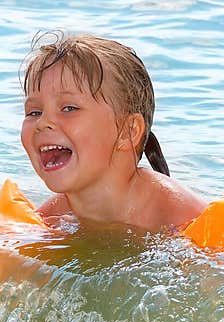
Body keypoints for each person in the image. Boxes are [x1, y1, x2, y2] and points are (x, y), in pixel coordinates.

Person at [20, 31, 207, 233]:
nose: (43, 122)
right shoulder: (49, 220)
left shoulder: (181, 216)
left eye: (69, 108)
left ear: (128, 131)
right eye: (34, 112)